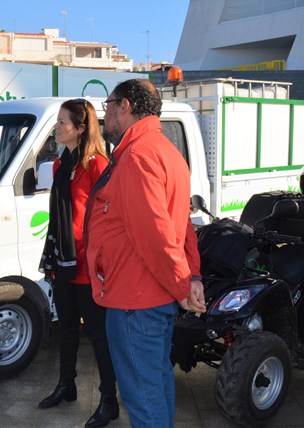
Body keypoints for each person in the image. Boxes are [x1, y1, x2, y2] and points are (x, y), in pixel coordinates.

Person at [84, 79, 206, 428]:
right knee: (156, 384)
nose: (104, 113)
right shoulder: (167, 152)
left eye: (108, 104)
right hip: (149, 299)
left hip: (134, 303)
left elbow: (155, 235)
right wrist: (191, 276)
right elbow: (182, 227)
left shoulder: (137, 157)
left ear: (125, 106)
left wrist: (184, 285)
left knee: (143, 396)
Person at [38, 98, 118, 428]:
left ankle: (109, 401)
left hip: (89, 266)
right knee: (67, 329)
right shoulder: (60, 166)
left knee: (99, 336)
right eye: (57, 121)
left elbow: (108, 218)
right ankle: (65, 385)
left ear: (81, 128)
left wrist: (101, 261)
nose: (56, 127)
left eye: (62, 122)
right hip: (64, 262)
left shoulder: (98, 165)